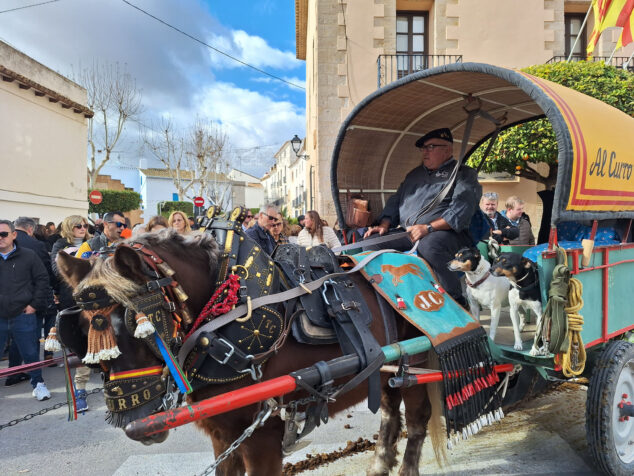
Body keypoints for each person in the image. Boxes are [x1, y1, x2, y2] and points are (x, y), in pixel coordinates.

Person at [363, 128, 481, 307]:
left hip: (447, 233)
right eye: (423, 148)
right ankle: (385, 297)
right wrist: (385, 224)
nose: (425, 152)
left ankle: (455, 300)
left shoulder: (464, 174)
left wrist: (428, 228)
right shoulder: (414, 175)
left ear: (447, 150)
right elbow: (396, 201)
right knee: (370, 243)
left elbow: (461, 208)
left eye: (431, 147)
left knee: (430, 245)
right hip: (408, 232)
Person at [0, 219, 51, 400]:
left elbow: (42, 280)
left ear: (14, 235)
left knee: (30, 353)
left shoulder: (29, 255)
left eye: (4, 234)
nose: (0, 238)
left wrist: (34, 305)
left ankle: (38, 384)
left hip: (23, 314)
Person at [51, 215, 93, 412]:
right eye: (78, 225)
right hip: (73, 300)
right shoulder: (60, 245)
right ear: (69, 227)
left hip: (95, 298)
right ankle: (81, 389)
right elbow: (57, 270)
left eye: (85, 225)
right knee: (81, 345)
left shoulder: (93, 242)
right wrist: (77, 261)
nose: (83, 228)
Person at [13, 217, 57, 363]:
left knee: (13, 334)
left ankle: (14, 370)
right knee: (32, 332)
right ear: (30, 229)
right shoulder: (36, 245)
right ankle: (31, 367)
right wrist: (55, 289)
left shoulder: (6, 242)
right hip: (32, 297)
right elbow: (47, 272)